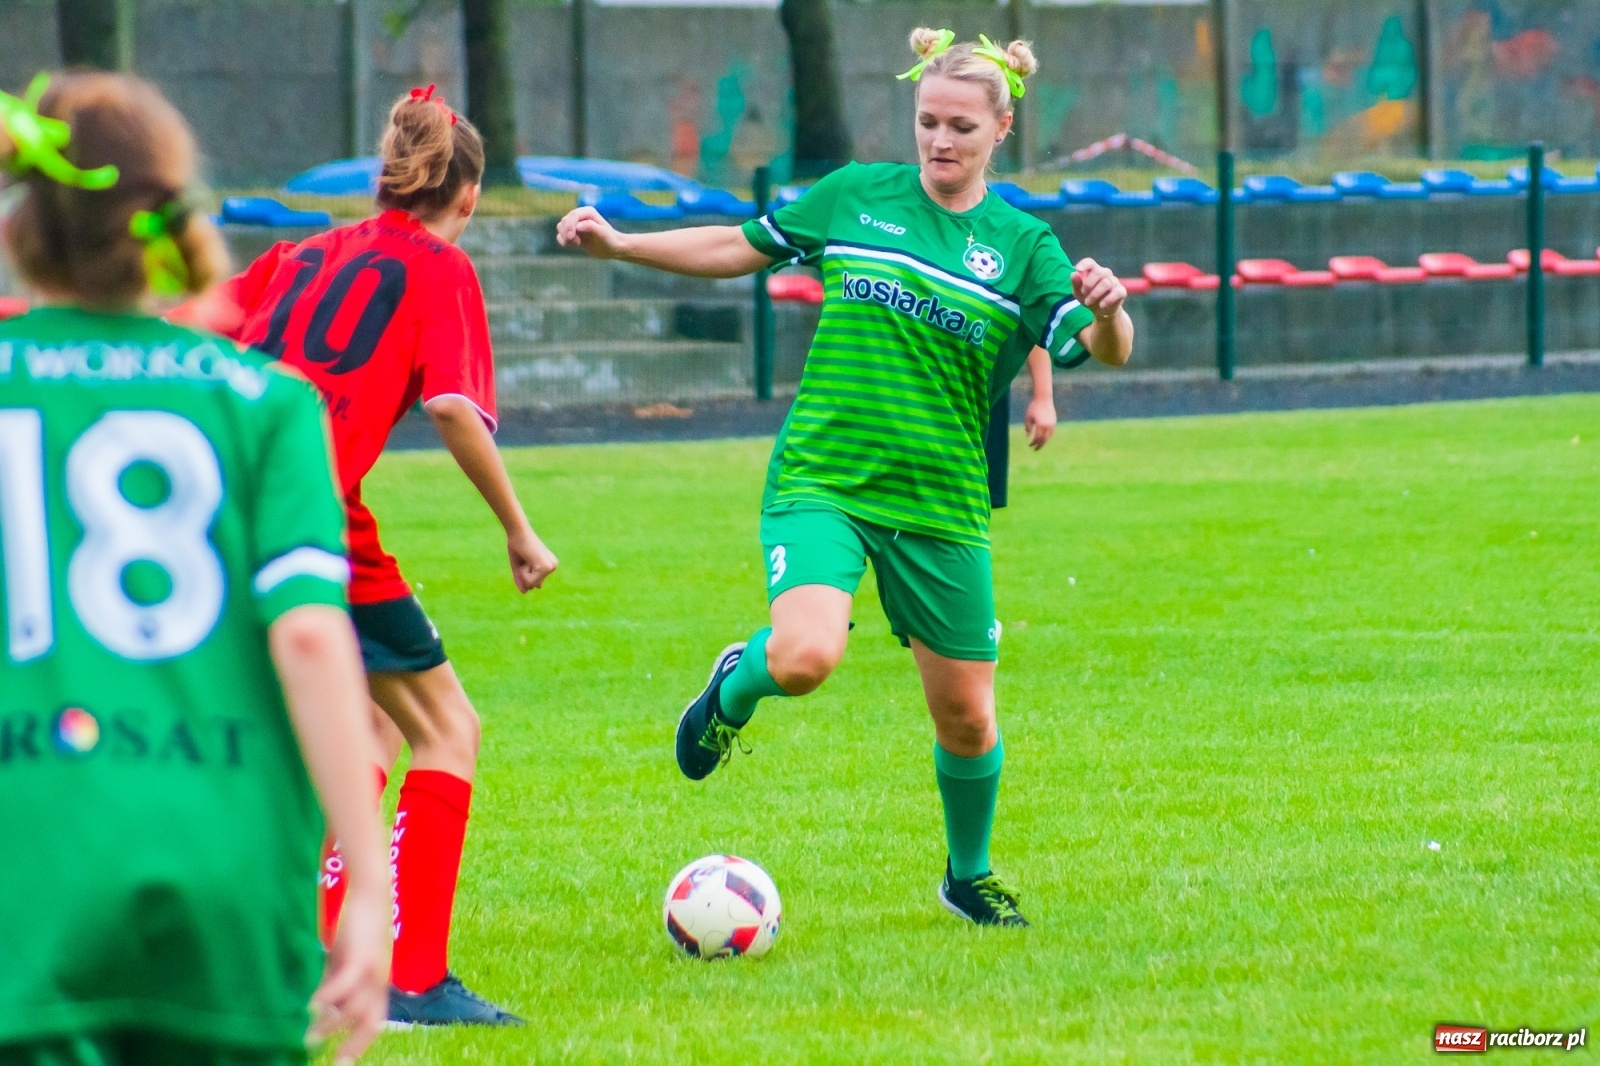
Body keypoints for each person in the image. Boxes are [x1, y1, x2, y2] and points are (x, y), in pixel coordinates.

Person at [557, 29, 1132, 926]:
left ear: (1002, 129)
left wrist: (1112, 312)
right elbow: (740, 246)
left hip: (941, 503)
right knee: (805, 657)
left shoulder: (1023, 245)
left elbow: (1097, 350)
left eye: (962, 129)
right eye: (928, 122)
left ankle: (966, 876)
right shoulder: (857, 195)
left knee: (969, 722)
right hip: (824, 478)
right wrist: (625, 247)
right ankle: (730, 692)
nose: (941, 142)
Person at [0, 71, 389, 1066]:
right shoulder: (266, 402)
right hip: (229, 874)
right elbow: (308, 633)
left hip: (30, 870)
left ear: (21, 225)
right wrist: (371, 895)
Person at [208, 84, 557, 1026]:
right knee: (451, 729)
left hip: (227, 503)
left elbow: (196, 325)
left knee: (376, 727)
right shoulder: (440, 269)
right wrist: (519, 528)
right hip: (313, 518)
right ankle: (414, 980)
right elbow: (451, 405)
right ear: (469, 195)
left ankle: (314, 944)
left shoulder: (301, 253)